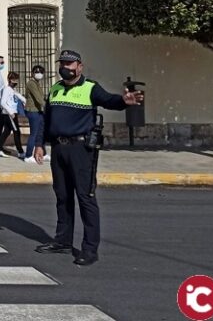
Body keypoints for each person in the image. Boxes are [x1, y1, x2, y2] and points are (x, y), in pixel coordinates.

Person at [33, 50, 143, 267]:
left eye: (70, 64)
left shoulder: (90, 88)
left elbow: (109, 100)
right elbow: (46, 120)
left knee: (85, 197)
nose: (65, 67)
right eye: (62, 63)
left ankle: (89, 249)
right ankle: (63, 241)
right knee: (62, 196)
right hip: (59, 149)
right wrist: (39, 144)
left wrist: (124, 101)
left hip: (81, 150)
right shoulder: (54, 89)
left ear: (80, 67)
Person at [0, 71, 26, 159]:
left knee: (7, 131)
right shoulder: (6, 89)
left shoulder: (12, 90)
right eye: (14, 79)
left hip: (12, 113)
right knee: (17, 132)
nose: (16, 81)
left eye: (17, 79)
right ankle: (20, 152)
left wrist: (26, 102)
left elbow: (20, 97)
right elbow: (2, 102)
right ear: (9, 80)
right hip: (10, 114)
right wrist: (10, 112)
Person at [23, 65, 47, 163]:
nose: (39, 73)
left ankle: (42, 153)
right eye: (36, 71)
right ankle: (28, 156)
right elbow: (38, 98)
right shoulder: (31, 83)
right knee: (34, 134)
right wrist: (47, 107)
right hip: (32, 111)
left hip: (38, 110)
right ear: (32, 73)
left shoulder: (37, 83)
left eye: (41, 71)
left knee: (41, 132)